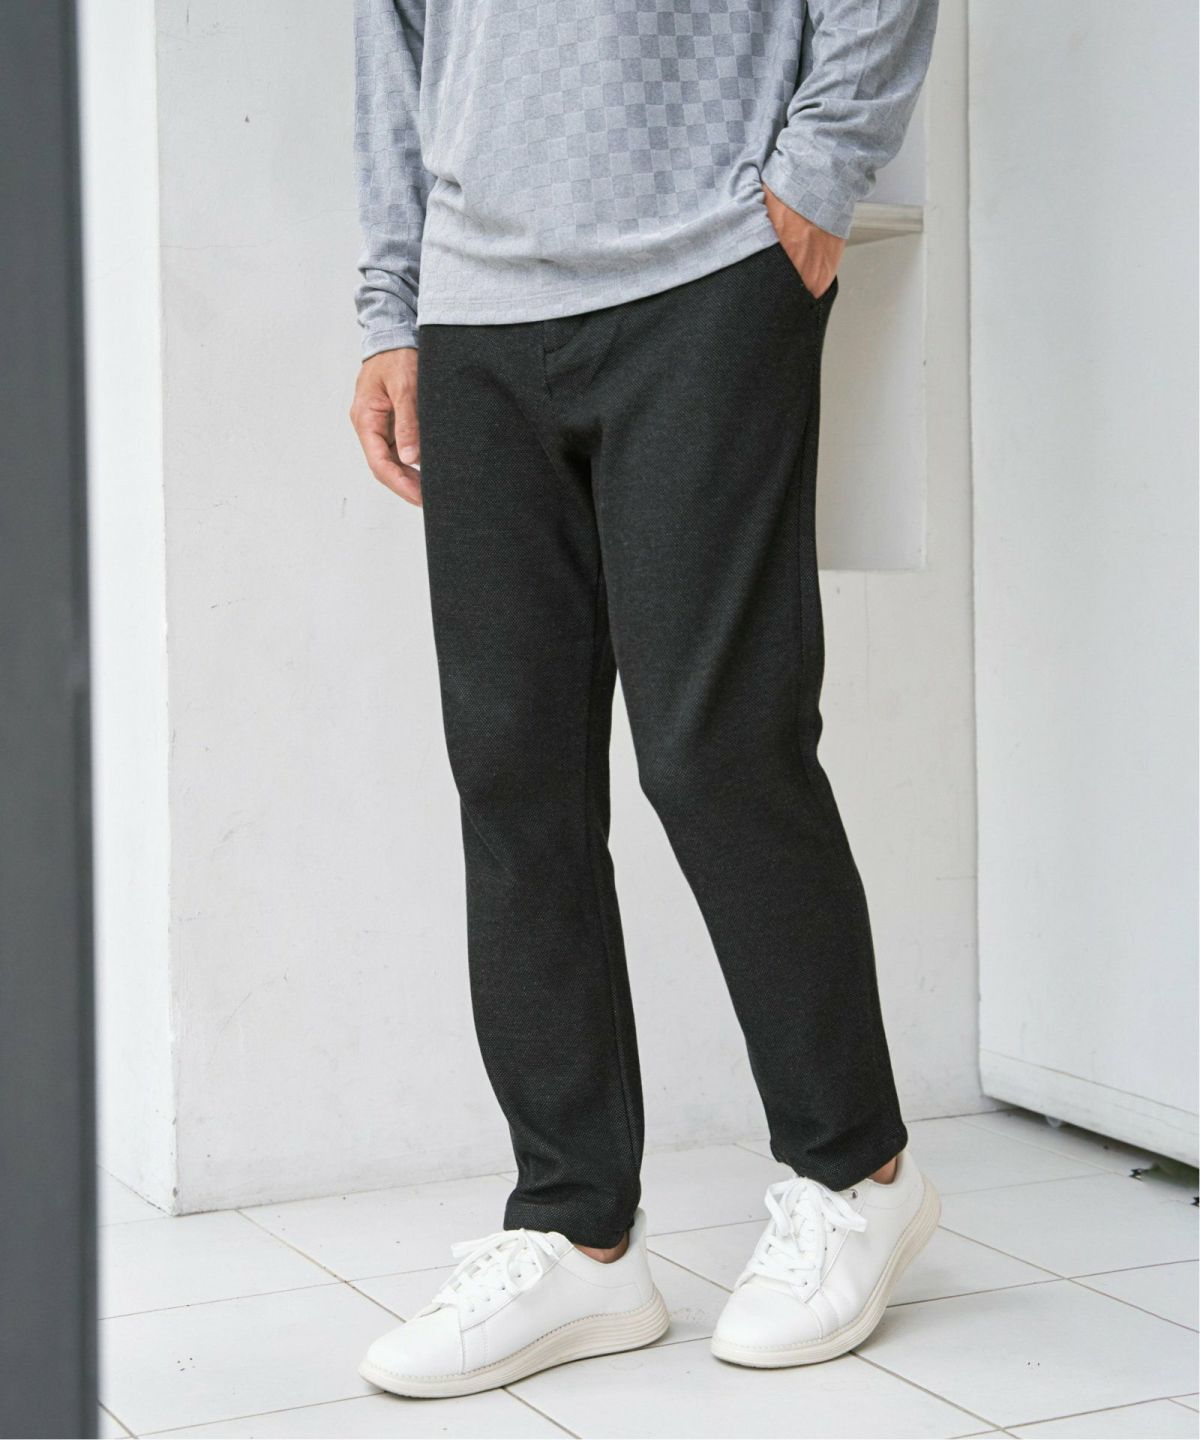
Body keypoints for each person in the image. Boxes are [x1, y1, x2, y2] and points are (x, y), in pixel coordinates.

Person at [350, 0, 939, 1399]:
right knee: (514, 774)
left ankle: (857, 1170)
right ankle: (578, 1236)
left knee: (716, 747)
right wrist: (390, 301)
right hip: (476, 306)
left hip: (710, 267)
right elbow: (393, 36)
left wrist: (819, 170)